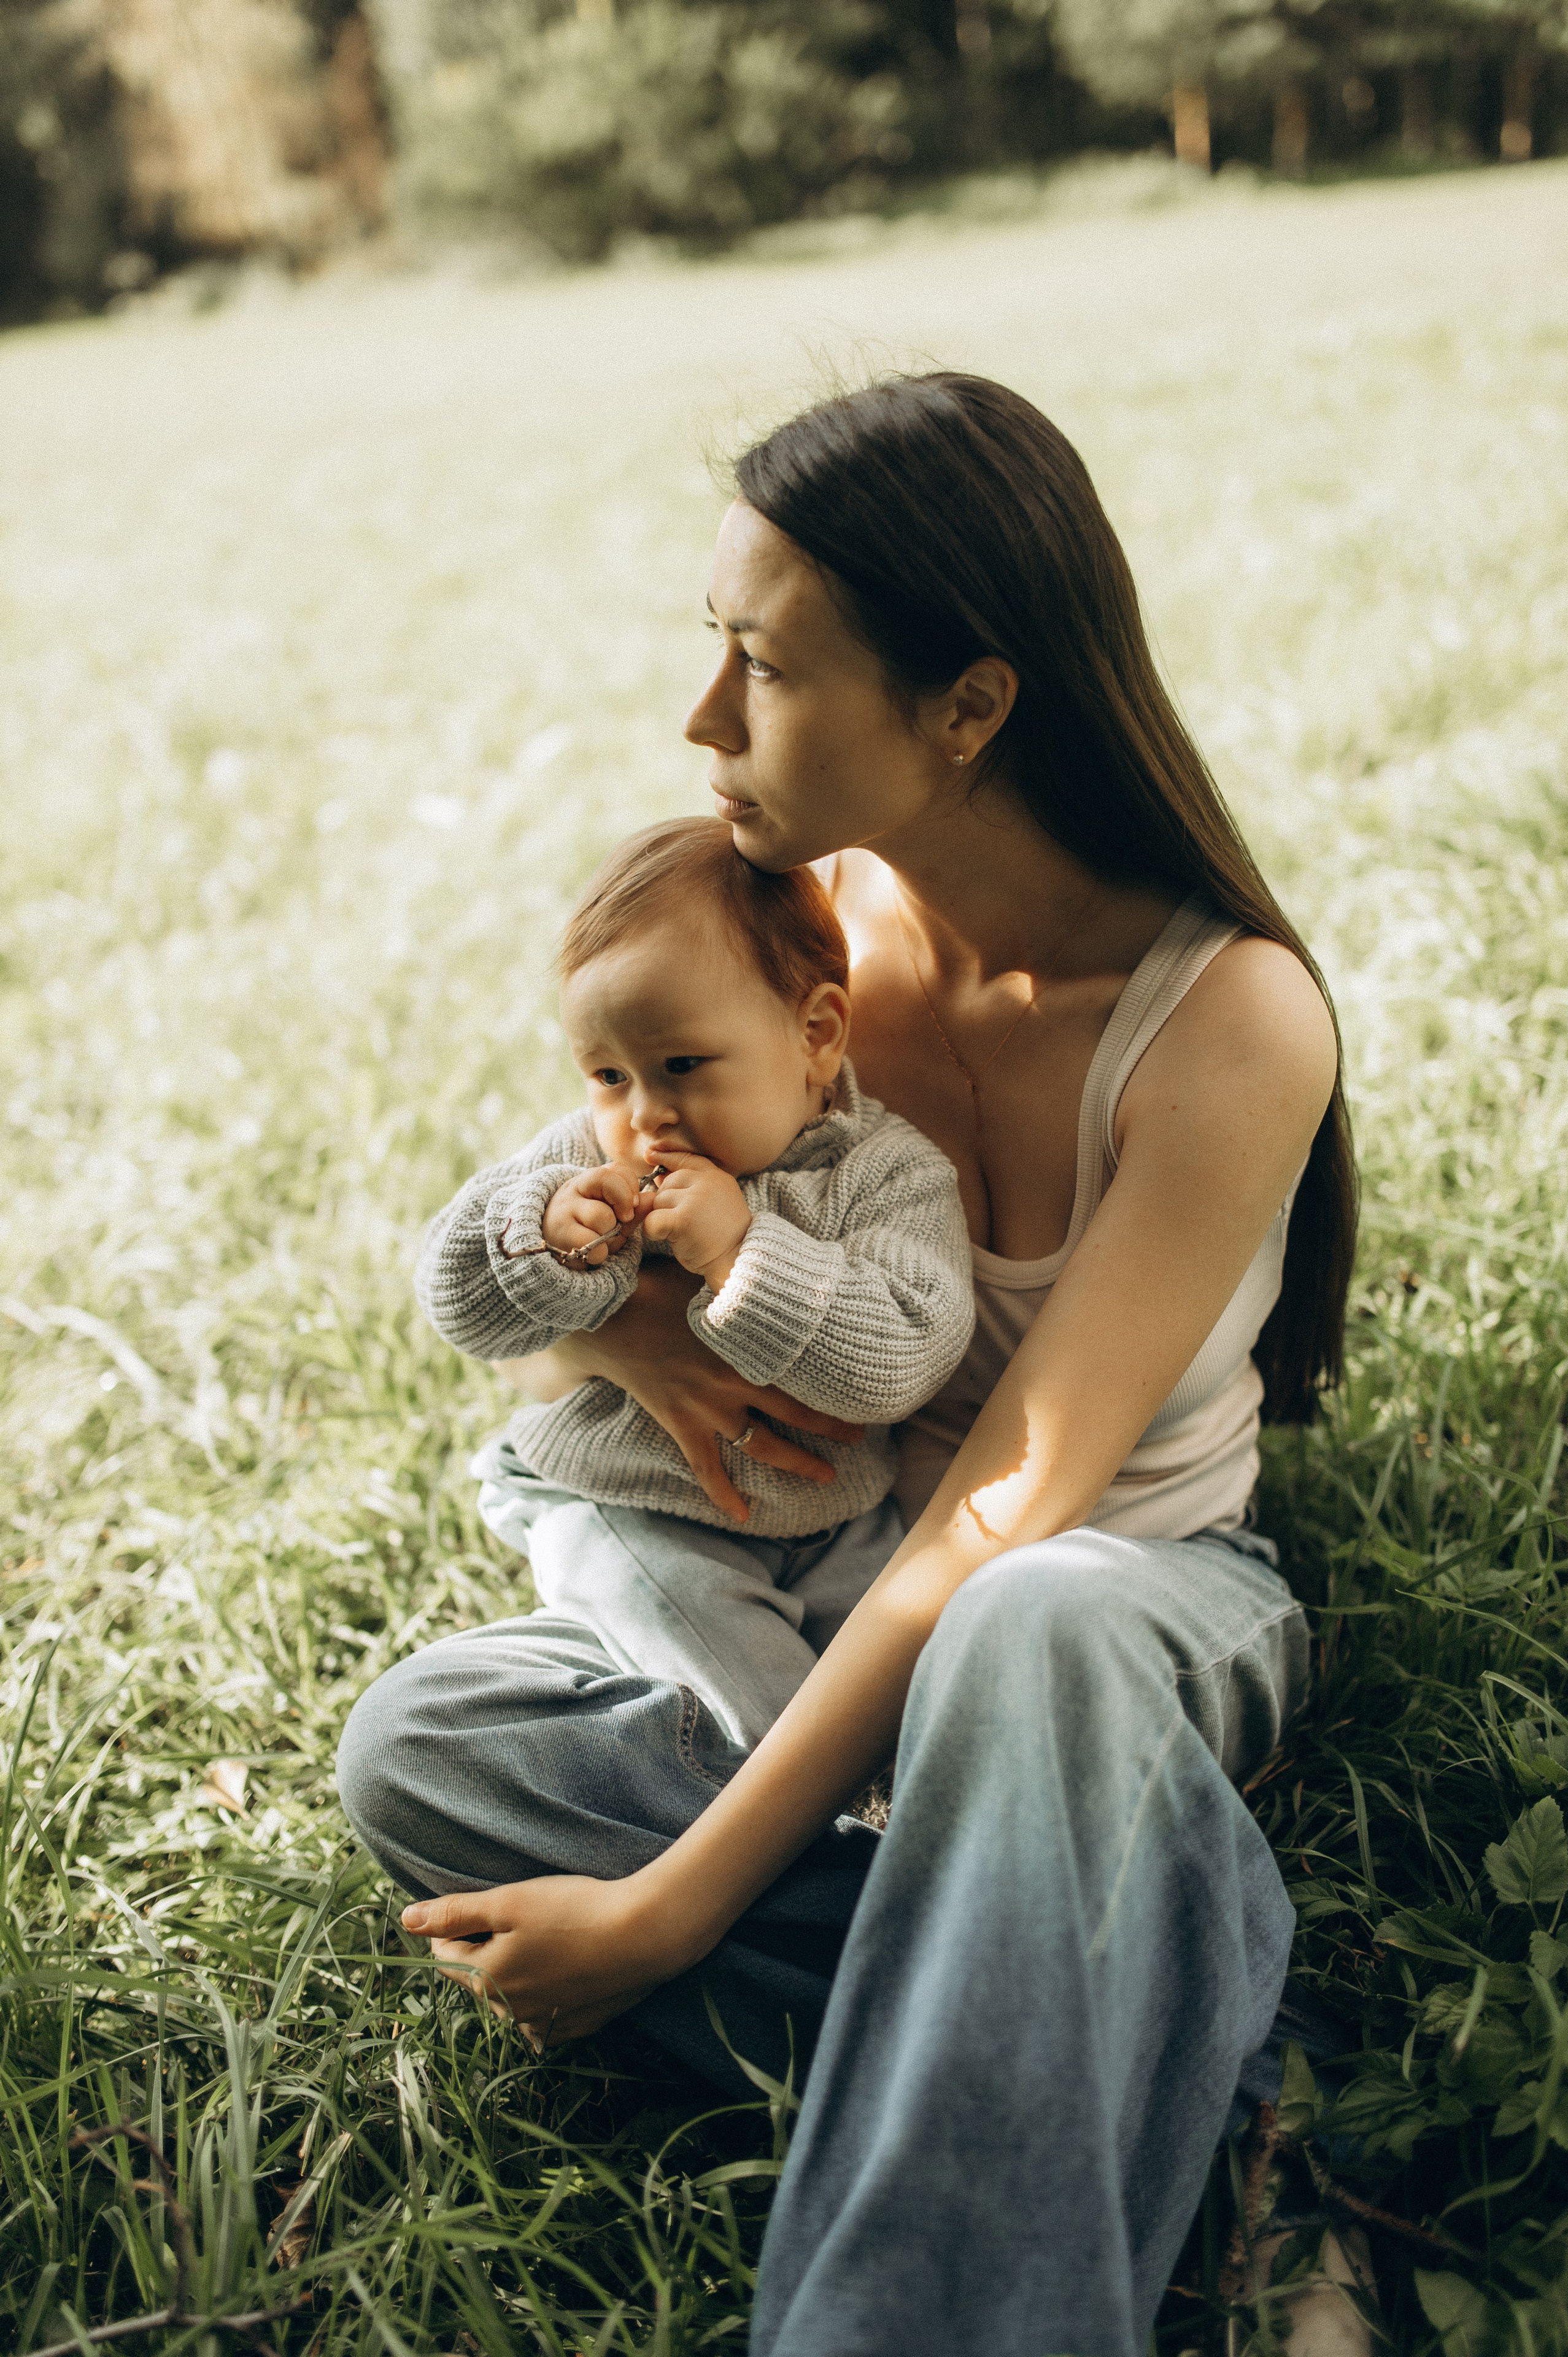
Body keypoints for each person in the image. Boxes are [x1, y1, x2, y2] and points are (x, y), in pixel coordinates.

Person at [336, 371, 1358, 2356]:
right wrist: (627, 1316)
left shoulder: (1231, 1021)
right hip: (818, 1596)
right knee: (428, 1746)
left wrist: (676, 1910)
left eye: (767, 666)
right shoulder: (799, 949)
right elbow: (566, 1282)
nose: (702, 718)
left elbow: (1009, 1514)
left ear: (968, 708)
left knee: (1028, 1629)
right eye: (712, 645)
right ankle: (1171, 2033)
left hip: (1113, 1612)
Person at [415, 816, 973, 1749]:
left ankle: (887, 1783)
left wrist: (742, 1255)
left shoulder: (885, 1174)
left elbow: (907, 1354)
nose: (644, 1115)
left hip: (836, 1522)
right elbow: (454, 1303)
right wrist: (540, 1237)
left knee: (922, 1677)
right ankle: (826, 1807)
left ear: (816, 1034)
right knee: (757, 1696)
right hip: (631, 1509)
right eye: (608, 1075)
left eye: (681, 1066)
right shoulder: (578, 1166)